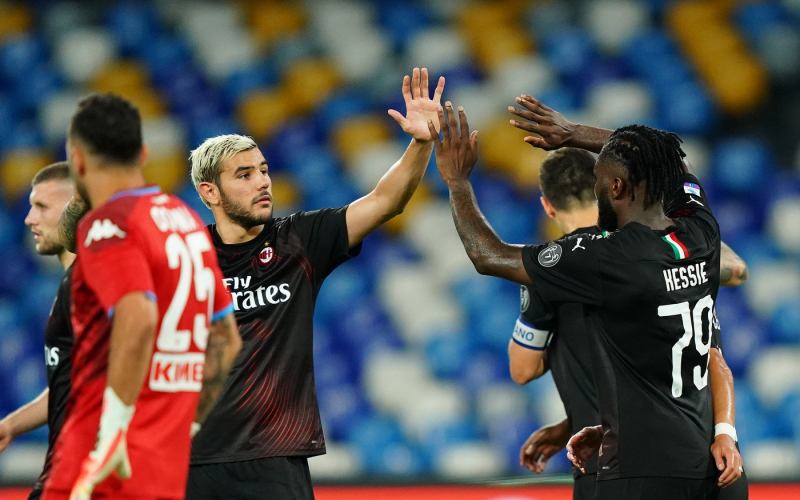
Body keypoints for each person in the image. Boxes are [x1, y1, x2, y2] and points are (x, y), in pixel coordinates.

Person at [427, 103, 740, 499]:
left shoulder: (605, 258)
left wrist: (457, 182)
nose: (596, 190)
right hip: (716, 469)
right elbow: (675, 161)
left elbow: (487, 256)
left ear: (617, 188)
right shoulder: (701, 230)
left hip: (643, 472)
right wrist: (573, 133)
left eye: (600, 180)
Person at [184, 67, 444, 500]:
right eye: (244, 175)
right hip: (190, 461)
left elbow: (385, 201)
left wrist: (421, 143)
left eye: (263, 170)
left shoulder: (299, 239)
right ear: (210, 192)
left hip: (275, 458)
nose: (262, 182)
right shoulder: (182, 256)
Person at [509, 145, 749, 500]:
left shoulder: (557, 269)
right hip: (697, 449)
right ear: (607, 189)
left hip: (613, 464)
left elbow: (522, 369)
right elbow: (737, 269)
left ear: (547, 206)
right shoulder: (658, 248)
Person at [41, 93, 242, 500]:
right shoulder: (185, 221)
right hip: (162, 471)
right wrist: (186, 427)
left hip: (96, 464)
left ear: (77, 161)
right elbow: (227, 339)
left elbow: (138, 319)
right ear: (144, 154)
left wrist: (113, 434)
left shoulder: (108, 224)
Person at [0, 163, 75, 500]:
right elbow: (72, 381)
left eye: (42, 207)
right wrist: (11, 426)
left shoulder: (96, 287)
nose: (29, 218)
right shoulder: (71, 287)